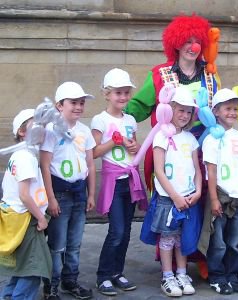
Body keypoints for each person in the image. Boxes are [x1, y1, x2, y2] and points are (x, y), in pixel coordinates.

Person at [125, 13, 220, 191]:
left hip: (203, 145)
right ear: (176, 43)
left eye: (197, 41)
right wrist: (119, 122)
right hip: (170, 146)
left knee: (201, 192)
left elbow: (219, 110)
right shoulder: (159, 74)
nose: (193, 47)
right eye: (187, 41)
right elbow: (136, 109)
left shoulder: (211, 75)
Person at [91, 68, 148, 296]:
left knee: (126, 232)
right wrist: (115, 143)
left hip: (129, 180)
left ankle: (117, 272)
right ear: (107, 94)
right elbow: (94, 151)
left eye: (126, 93)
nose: (123, 97)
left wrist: (133, 147)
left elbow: (133, 148)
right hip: (113, 181)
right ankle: (103, 275)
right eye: (118, 93)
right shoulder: (100, 120)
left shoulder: (131, 120)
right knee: (117, 230)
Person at [40, 82, 96, 300]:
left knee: (75, 242)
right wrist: (51, 198)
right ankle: (51, 285)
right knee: (57, 244)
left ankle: (69, 280)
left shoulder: (85, 131)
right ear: (59, 106)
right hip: (60, 192)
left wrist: (91, 193)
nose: (79, 107)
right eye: (73, 103)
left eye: (81, 103)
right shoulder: (50, 131)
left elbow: (90, 163)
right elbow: (45, 165)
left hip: (79, 191)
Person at [198, 88, 238, 295]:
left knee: (235, 241)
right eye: (227, 109)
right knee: (219, 242)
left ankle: (232, 275)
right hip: (221, 197)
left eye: (235, 108)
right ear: (216, 111)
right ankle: (217, 276)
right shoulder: (212, 139)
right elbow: (211, 171)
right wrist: (214, 199)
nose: (232, 112)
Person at [150, 86, 202, 297]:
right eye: (180, 110)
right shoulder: (161, 137)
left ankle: (182, 272)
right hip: (168, 199)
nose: (184, 115)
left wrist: (197, 191)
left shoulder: (190, 139)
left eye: (188, 111)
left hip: (189, 196)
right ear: (170, 109)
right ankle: (167, 275)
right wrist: (175, 196)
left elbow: (198, 170)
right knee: (168, 236)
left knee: (182, 237)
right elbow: (159, 171)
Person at [0, 109, 52, 300]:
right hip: (26, 218)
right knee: (33, 268)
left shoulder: (22, 154)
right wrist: (41, 218)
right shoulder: (26, 157)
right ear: (22, 132)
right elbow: (24, 195)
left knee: (21, 267)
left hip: (17, 216)